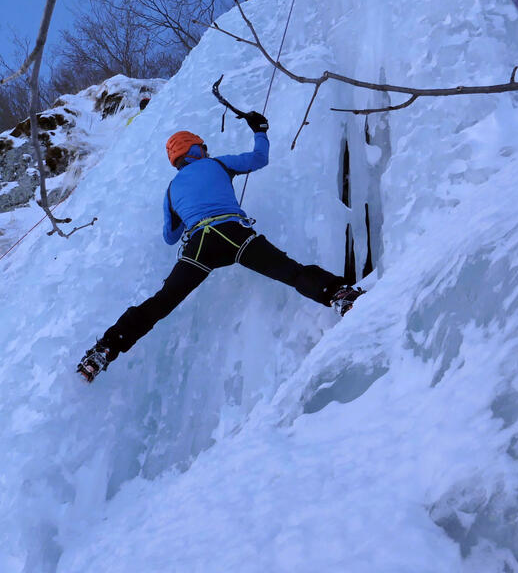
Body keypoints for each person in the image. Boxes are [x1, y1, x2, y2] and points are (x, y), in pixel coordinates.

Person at [76, 110, 364, 382]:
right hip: (233, 234)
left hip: (199, 245)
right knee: (290, 271)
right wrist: (260, 130)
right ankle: (339, 295)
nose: (206, 152)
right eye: (202, 148)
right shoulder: (218, 164)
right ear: (194, 150)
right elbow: (259, 158)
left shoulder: (171, 189)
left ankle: (105, 349)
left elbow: (170, 236)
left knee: (162, 302)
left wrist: (189, 210)